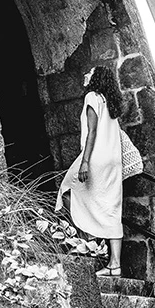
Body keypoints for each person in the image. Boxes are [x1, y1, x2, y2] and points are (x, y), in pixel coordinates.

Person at [55, 65, 124, 276]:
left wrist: (85, 162)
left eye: (90, 72)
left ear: (96, 78)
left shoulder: (92, 96)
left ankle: (91, 239)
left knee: (66, 191)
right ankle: (115, 265)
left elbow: (92, 132)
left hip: (96, 158)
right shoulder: (110, 101)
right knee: (112, 208)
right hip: (114, 160)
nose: (86, 74)